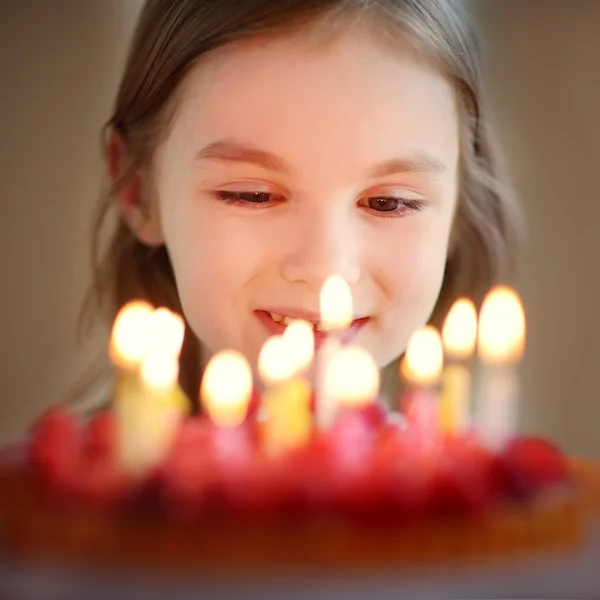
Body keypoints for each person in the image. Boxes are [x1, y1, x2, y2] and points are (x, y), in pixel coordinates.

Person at [77, 0, 520, 408]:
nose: (324, 267)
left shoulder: (500, 495)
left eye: (388, 202)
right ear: (138, 191)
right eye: (253, 195)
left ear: (460, 207)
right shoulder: (50, 493)